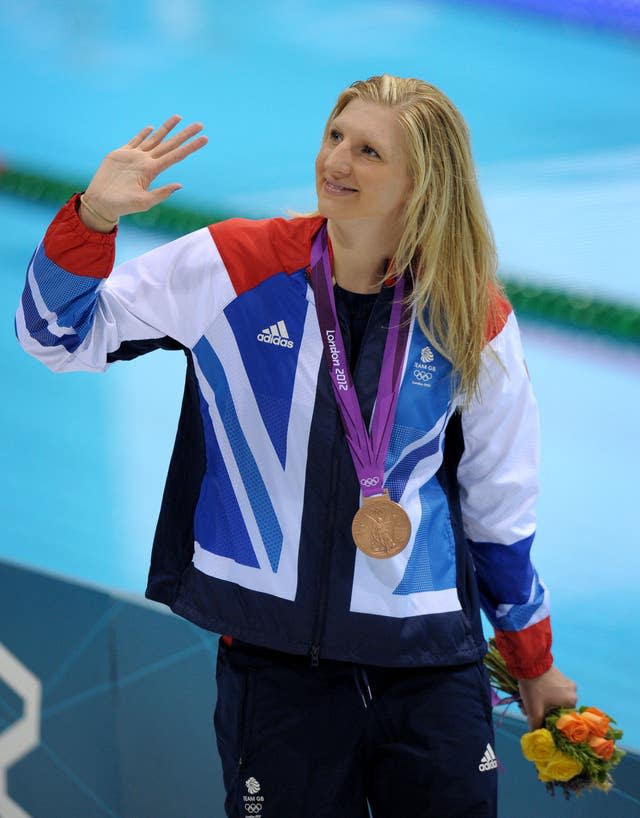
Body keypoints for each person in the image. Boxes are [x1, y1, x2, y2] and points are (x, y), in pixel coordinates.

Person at [16, 74, 577, 818]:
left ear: (421, 185)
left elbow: (499, 513)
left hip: (430, 669)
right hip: (278, 668)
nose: (336, 162)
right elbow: (55, 335)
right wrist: (91, 219)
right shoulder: (230, 266)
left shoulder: (472, 317)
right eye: (335, 137)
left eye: (369, 151)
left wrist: (532, 664)